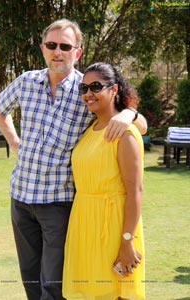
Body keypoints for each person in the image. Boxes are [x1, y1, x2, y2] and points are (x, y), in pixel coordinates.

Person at [0, 19, 146, 300]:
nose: (57, 52)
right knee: (30, 278)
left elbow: (135, 122)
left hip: (59, 203)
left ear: (77, 52)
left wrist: (129, 114)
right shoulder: (25, 81)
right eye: (52, 45)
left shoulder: (87, 90)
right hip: (21, 199)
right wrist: (14, 141)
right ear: (42, 48)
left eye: (65, 46)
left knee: (54, 282)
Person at [63, 62, 145, 300]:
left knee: (114, 293)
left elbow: (135, 191)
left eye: (96, 86)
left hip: (113, 228)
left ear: (114, 89)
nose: (89, 93)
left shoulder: (125, 133)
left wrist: (127, 242)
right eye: (84, 88)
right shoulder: (91, 128)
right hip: (85, 222)